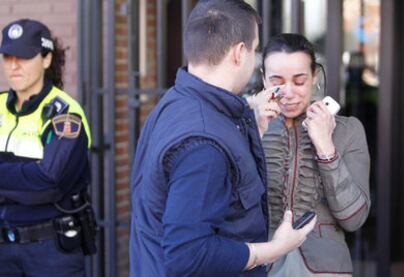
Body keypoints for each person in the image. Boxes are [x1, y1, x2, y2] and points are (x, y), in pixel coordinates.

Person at [129, 1, 316, 276]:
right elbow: (187, 255)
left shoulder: (173, 103)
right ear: (240, 52)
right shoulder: (203, 143)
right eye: (254, 50)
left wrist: (250, 132)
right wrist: (277, 247)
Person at [254, 33, 370, 276]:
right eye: (277, 81)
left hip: (325, 268)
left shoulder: (348, 130)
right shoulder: (248, 126)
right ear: (264, 79)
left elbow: (354, 219)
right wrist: (253, 134)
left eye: (299, 81)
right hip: (260, 263)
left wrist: (326, 148)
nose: (288, 92)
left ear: (314, 77)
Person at [0, 19, 96, 276]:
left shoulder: (65, 113)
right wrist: (24, 178)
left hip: (50, 253)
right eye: (7, 56)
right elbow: (35, 179)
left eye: (24, 56)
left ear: (46, 59)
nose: (14, 65)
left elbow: (49, 182)